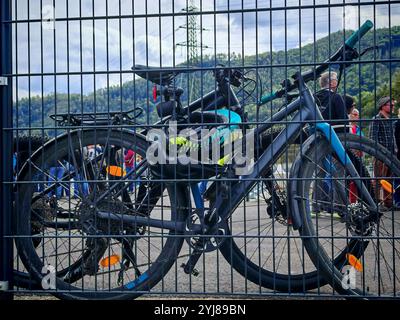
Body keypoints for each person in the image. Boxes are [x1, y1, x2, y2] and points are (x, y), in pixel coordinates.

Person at [369, 96, 396, 209]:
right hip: (380, 154)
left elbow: (392, 137)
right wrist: (377, 152)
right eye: (391, 105)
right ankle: (375, 203)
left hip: (390, 154)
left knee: (389, 179)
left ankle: (388, 202)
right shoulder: (377, 119)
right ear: (383, 106)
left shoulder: (390, 119)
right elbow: (372, 138)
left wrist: (395, 149)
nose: (393, 107)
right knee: (378, 179)